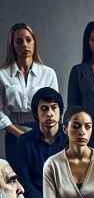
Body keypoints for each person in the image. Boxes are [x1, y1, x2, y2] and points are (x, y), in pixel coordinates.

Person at [0, 23, 58, 163]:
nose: (24, 45)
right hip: (14, 130)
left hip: (43, 131)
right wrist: (17, 132)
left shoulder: (48, 73)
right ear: (12, 45)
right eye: (19, 41)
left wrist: (46, 134)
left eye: (28, 40)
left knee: (42, 175)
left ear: (34, 42)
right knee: (17, 179)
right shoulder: (2, 74)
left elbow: (55, 108)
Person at [14, 87, 67, 198]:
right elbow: (25, 182)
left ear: (60, 111)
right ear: (36, 113)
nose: (49, 113)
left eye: (54, 108)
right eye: (44, 109)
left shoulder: (70, 140)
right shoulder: (24, 141)